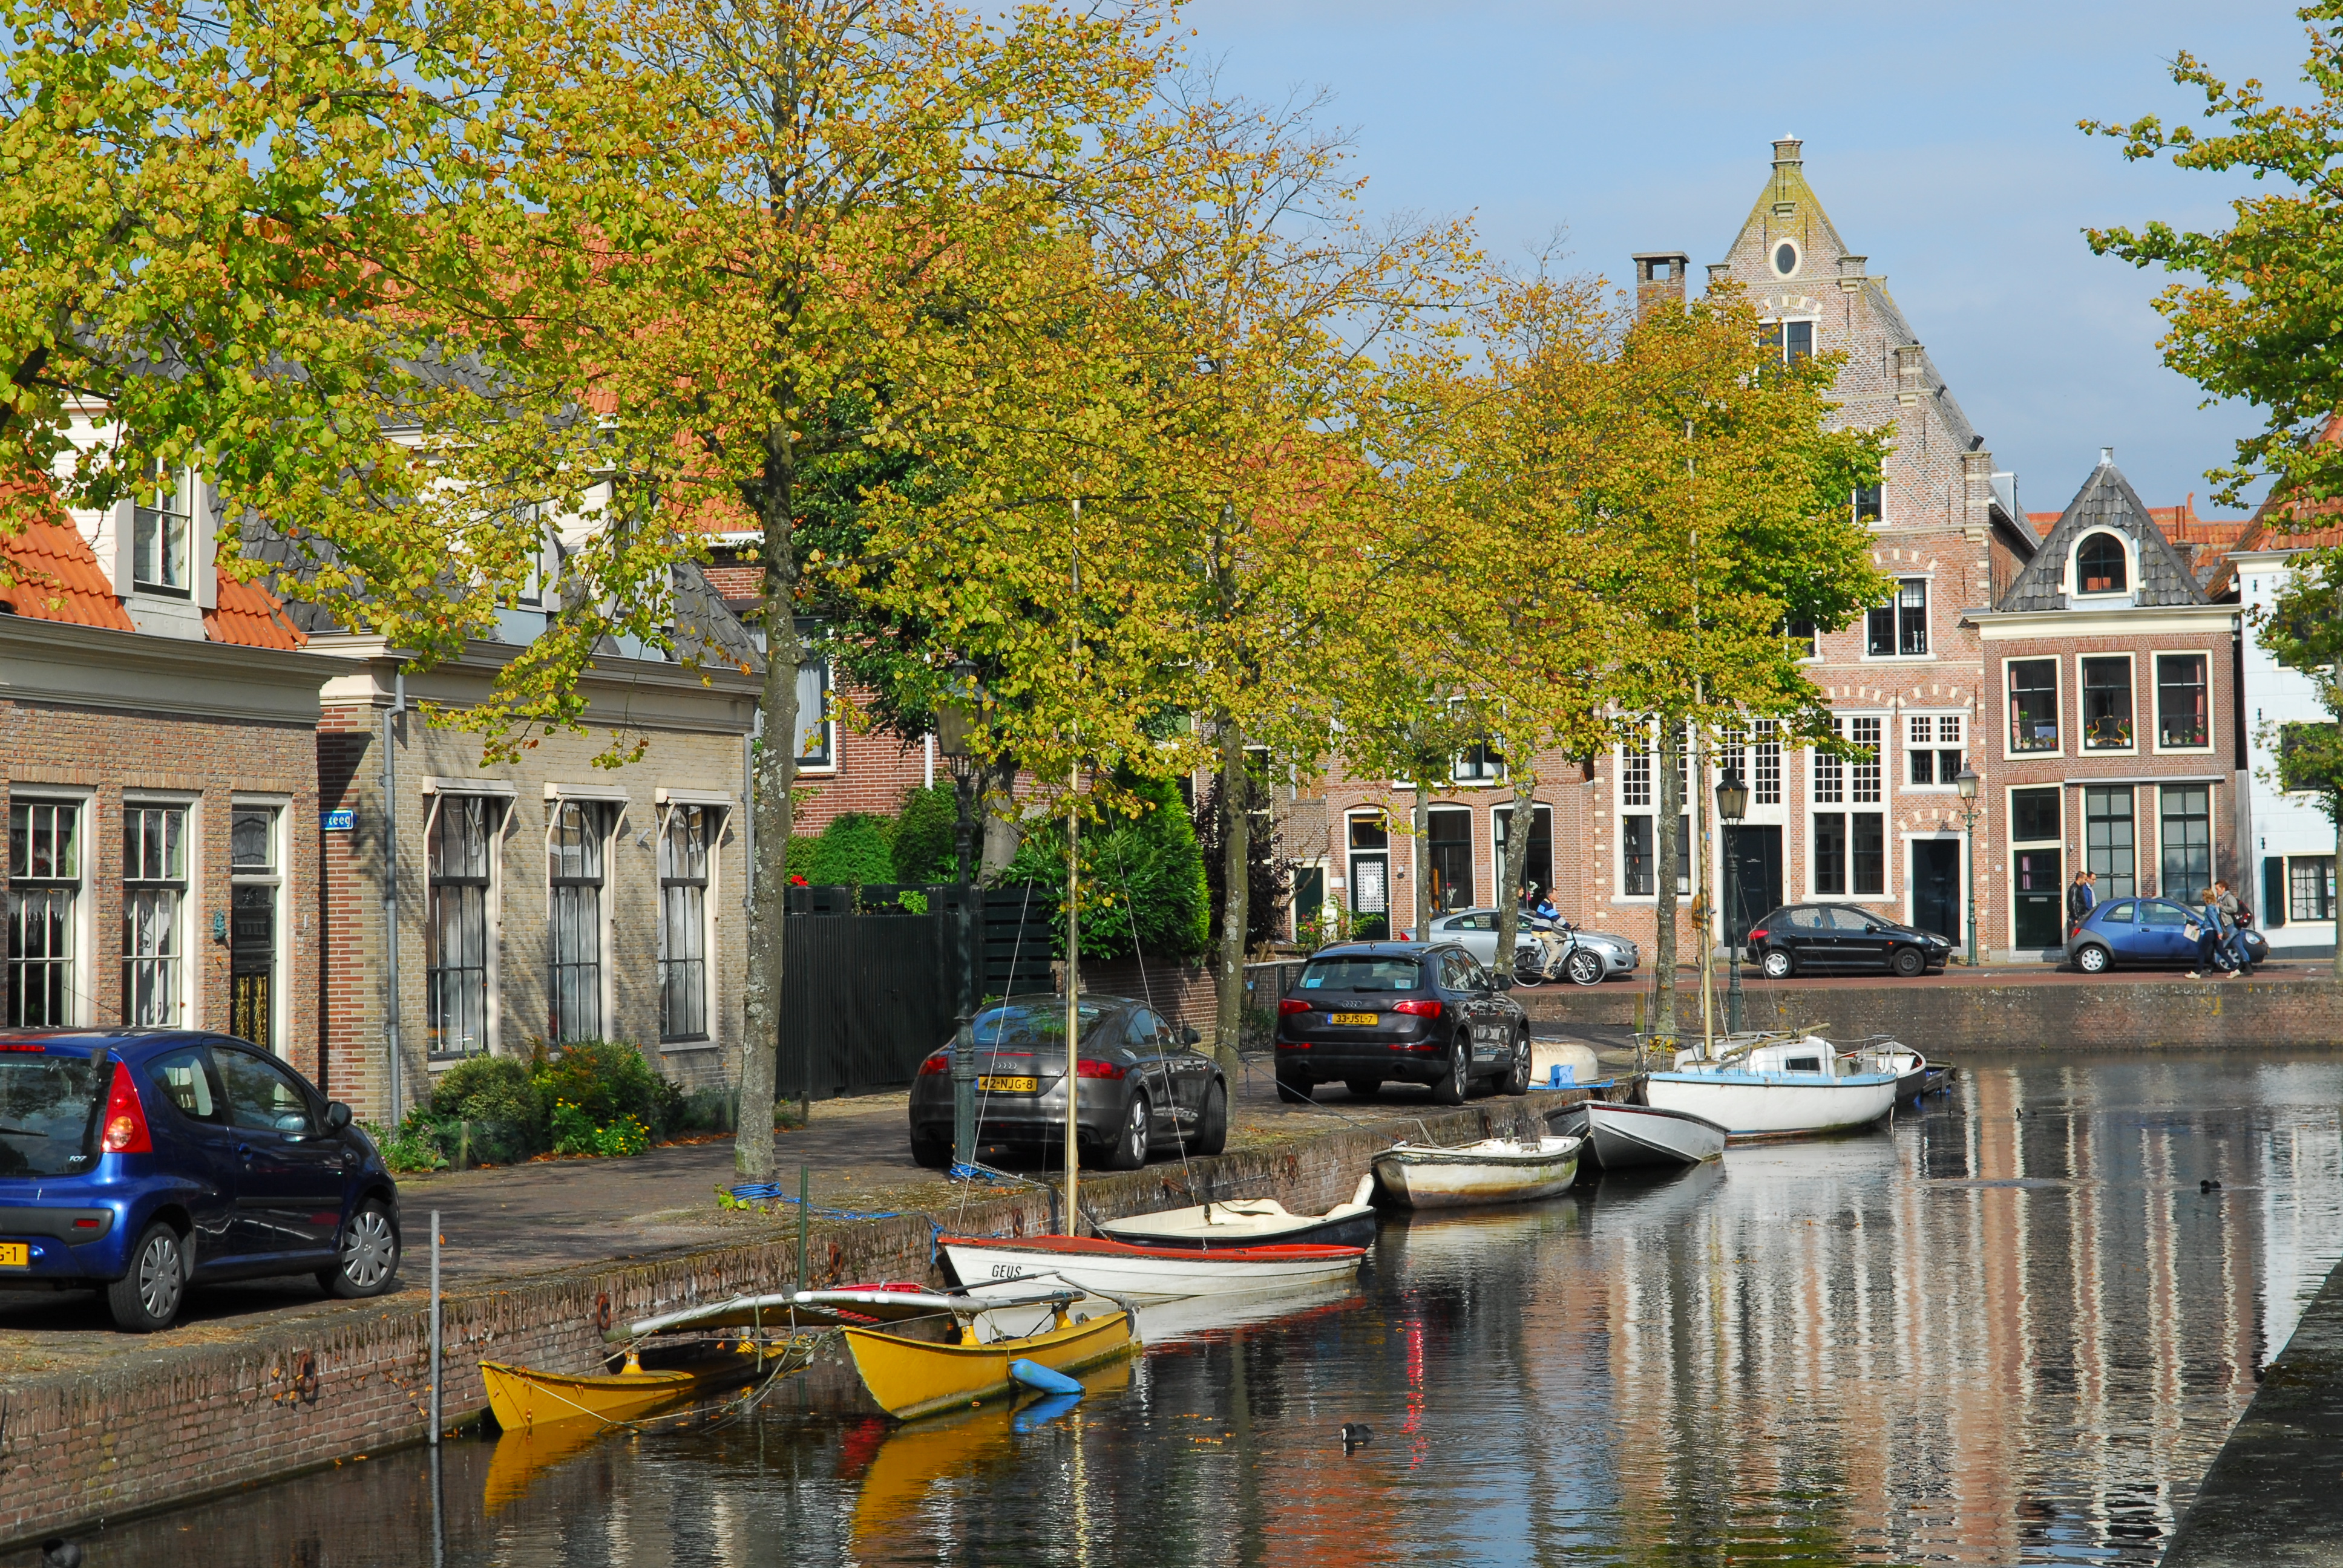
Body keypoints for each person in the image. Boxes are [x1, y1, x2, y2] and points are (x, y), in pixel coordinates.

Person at [2066, 869, 2096, 934]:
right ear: (2080, 878)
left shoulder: (2079, 888)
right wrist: (2076, 918)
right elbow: (2073, 903)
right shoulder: (2074, 888)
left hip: (2080, 915)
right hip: (2077, 917)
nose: (2085, 882)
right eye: (2085, 880)